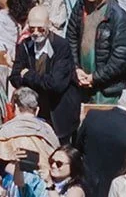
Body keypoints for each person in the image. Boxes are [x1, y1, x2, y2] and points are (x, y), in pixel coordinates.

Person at [10, 8, 79, 141]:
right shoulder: (25, 45)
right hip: (35, 109)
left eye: (40, 29)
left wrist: (28, 75)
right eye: (32, 29)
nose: (35, 33)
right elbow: (15, 77)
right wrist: (40, 80)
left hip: (59, 111)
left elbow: (56, 84)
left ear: (48, 25)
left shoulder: (61, 46)